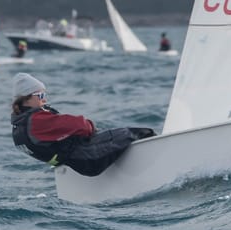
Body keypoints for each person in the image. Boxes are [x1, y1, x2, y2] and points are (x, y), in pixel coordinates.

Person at [10, 73, 155, 177]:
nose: (45, 99)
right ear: (27, 99)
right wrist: (91, 127)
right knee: (137, 132)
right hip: (89, 158)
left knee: (112, 135)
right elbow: (80, 125)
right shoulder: (37, 120)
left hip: (76, 165)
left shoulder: (18, 126)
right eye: (41, 96)